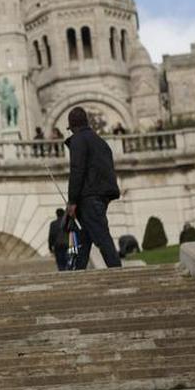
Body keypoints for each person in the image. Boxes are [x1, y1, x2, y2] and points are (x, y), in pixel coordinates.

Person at [65, 107, 121, 269]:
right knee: (84, 238)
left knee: (101, 237)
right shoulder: (101, 142)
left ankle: (117, 270)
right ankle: (78, 271)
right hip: (101, 197)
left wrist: (72, 201)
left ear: (72, 127)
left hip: (88, 197)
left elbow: (77, 170)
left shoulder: (78, 140)